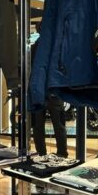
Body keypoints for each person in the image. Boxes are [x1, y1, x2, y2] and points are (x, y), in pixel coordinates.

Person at [31, 23, 68, 157]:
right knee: (58, 125)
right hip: (53, 90)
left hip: (39, 91)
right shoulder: (56, 46)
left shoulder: (35, 48)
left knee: (38, 126)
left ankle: (42, 154)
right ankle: (62, 154)